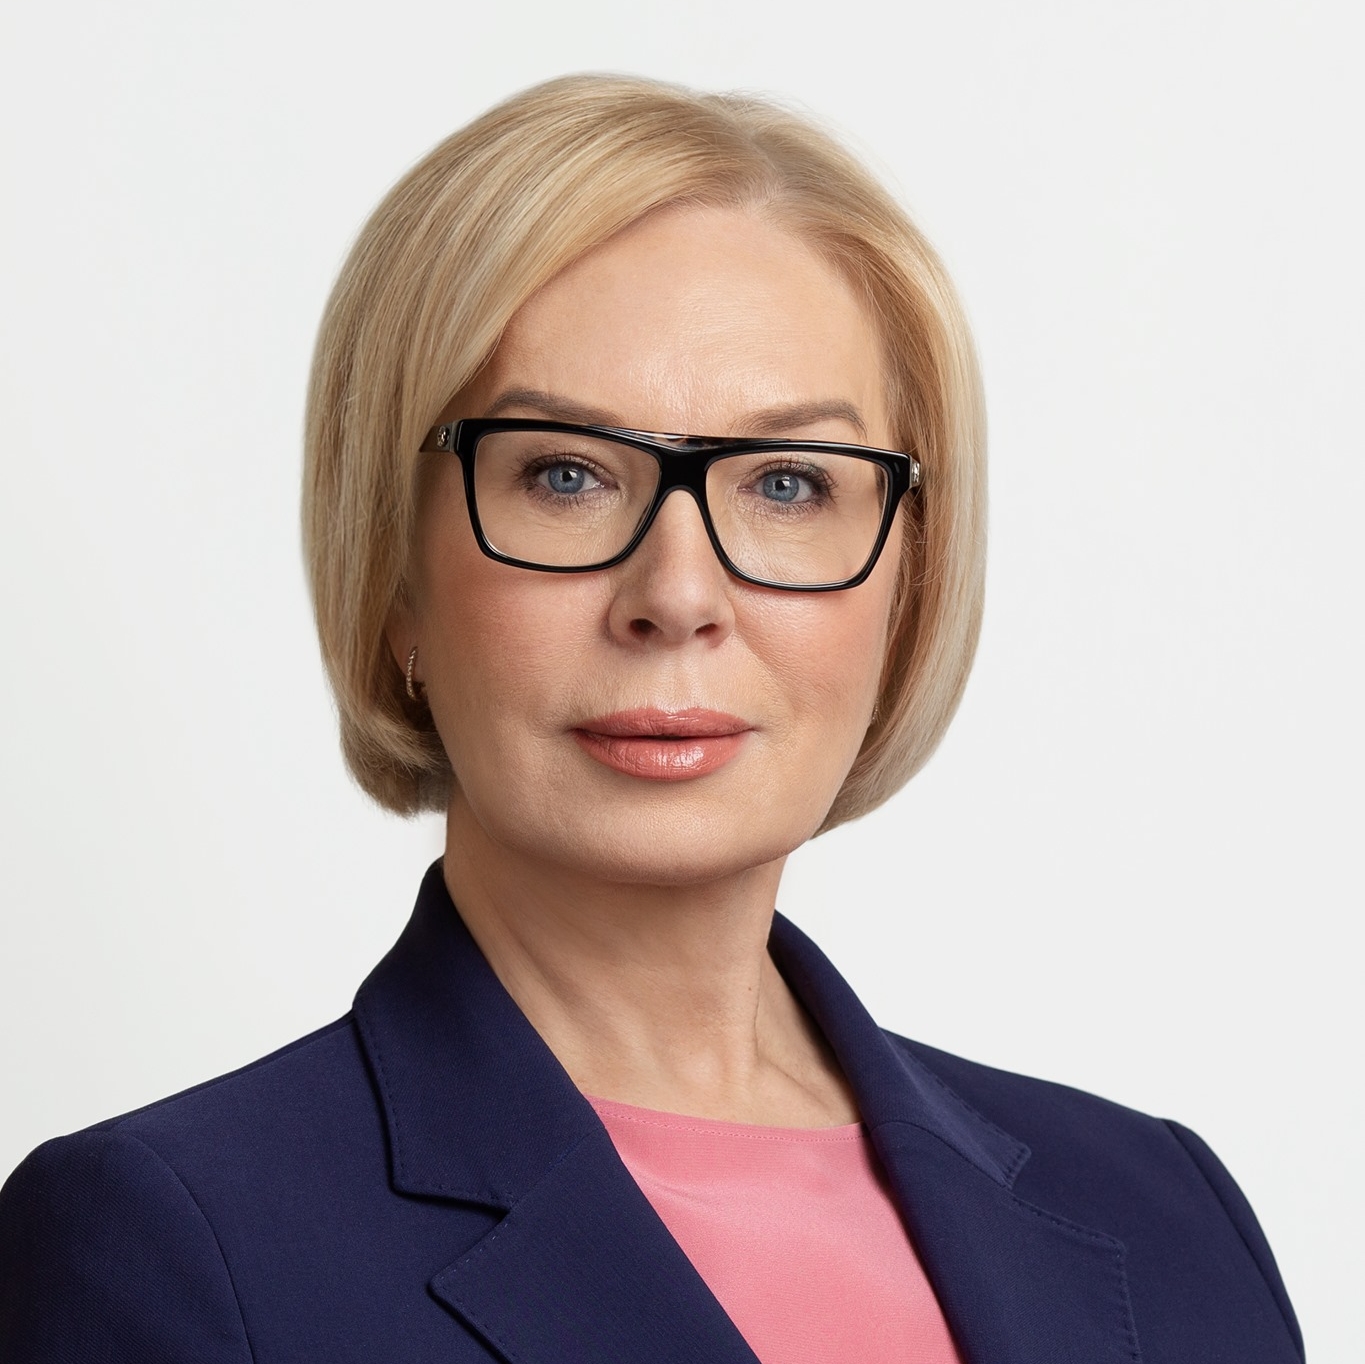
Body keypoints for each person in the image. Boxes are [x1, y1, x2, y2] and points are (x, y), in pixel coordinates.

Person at [0, 73, 1303, 1363]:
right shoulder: (173, 1250)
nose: (677, 597)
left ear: (909, 577)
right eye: (564, 475)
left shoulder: (1169, 1221)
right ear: (395, 582)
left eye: (787, 483)